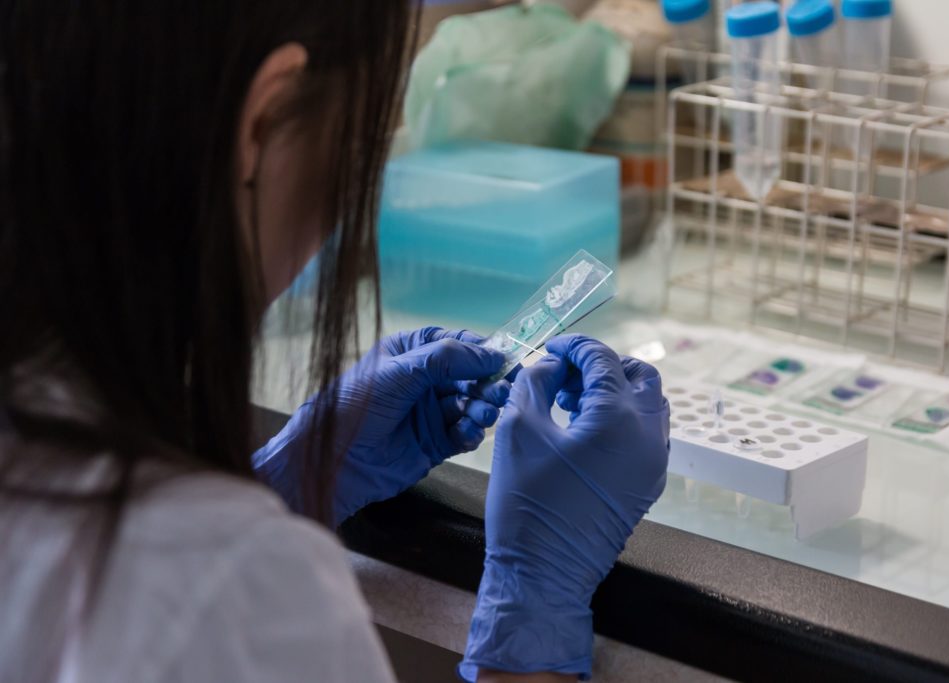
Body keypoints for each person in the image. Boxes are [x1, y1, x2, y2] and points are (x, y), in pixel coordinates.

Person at [0, 2, 670, 682]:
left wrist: (285, 481)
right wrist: (534, 605)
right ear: (263, 121)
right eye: (353, 147)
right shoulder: (227, 600)